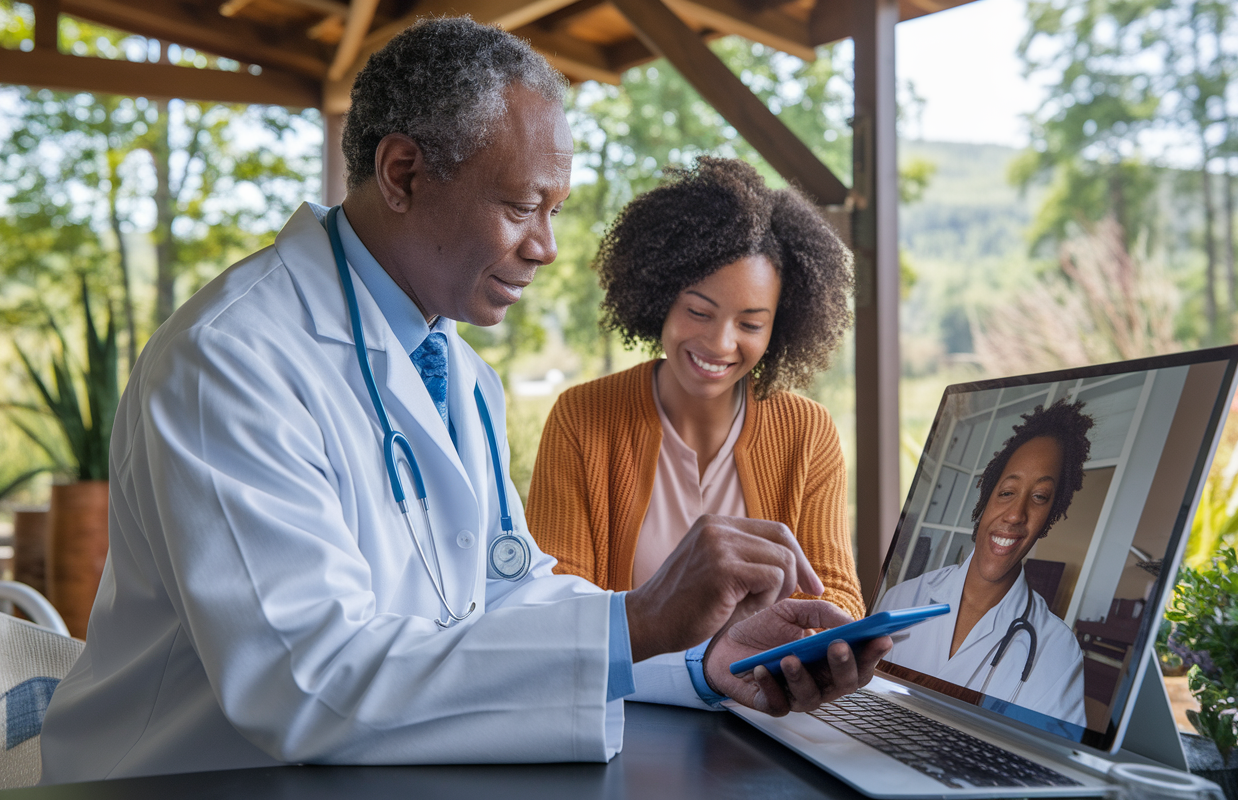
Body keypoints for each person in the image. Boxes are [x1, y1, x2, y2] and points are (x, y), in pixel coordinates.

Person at [37, 18, 891, 784]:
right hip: (182, 780)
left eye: (555, 210)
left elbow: (503, 593)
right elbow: (302, 682)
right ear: (403, 171)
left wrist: (695, 660)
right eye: (523, 205)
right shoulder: (233, 358)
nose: (548, 247)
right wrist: (635, 623)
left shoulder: (454, 368)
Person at [527, 157, 862, 617]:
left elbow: (838, 599)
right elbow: (553, 603)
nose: (720, 343)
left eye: (750, 323)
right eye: (699, 313)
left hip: (756, 688)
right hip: (627, 692)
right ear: (661, 297)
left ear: (779, 328)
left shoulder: (807, 432)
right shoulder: (582, 417)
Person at [877, 399, 1094, 726]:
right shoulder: (901, 600)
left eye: (1039, 497)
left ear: (1050, 516)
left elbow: (1045, 764)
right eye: (1007, 492)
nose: (1016, 514)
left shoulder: (1058, 651)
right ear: (986, 497)